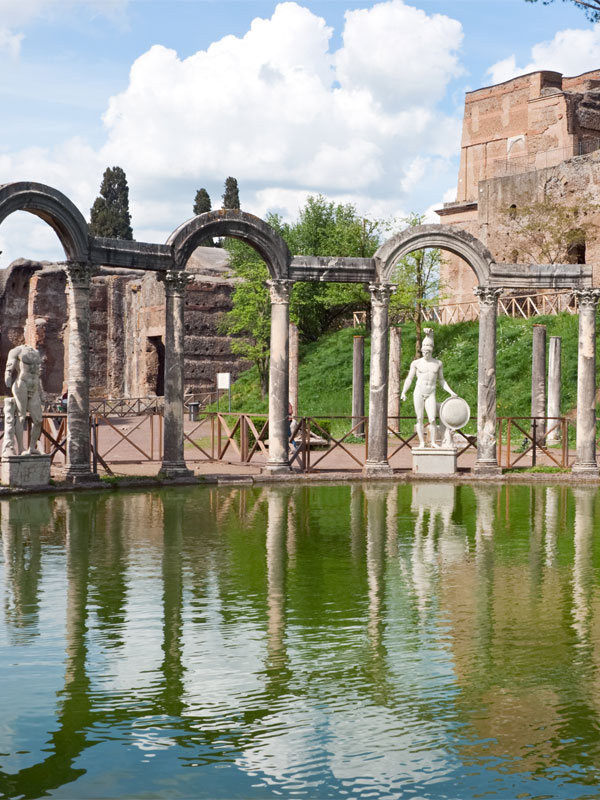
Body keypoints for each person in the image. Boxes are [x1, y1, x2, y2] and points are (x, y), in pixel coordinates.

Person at [401, 329, 456, 448]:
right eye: (424, 349)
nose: (426, 352)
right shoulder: (416, 363)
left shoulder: (438, 363)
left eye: (428, 349)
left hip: (431, 392)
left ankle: (433, 442)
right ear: (421, 349)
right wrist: (404, 392)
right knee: (420, 418)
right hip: (419, 392)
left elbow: (442, 380)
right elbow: (409, 379)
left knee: (432, 419)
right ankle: (422, 442)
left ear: (431, 350)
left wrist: (451, 392)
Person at [4, 344, 44, 455]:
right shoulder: (16, 351)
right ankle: (21, 448)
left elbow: (38, 374)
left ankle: (31, 448)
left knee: (38, 420)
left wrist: (41, 392)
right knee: (21, 416)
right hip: (22, 384)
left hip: (34, 386)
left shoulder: (36, 352)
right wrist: (7, 375)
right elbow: (9, 365)